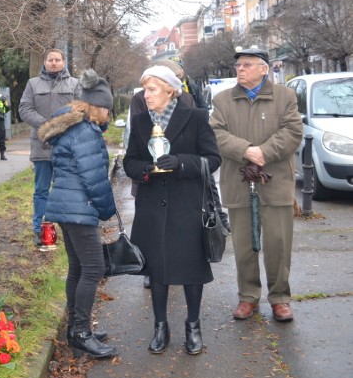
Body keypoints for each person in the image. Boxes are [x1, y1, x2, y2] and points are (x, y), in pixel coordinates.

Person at [123, 65, 221, 355]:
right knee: (157, 271)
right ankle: (160, 326)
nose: (146, 95)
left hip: (187, 205)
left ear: (169, 89)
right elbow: (129, 162)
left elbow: (212, 159)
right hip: (152, 208)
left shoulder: (196, 117)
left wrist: (180, 162)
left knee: (191, 269)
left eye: (151, 89)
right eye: (144, 90)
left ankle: (193, 325)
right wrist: (145, 170)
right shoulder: (140, 121)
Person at [209, 47, 302, 323]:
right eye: (238, 65)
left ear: (265, 68)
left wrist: (265, 153)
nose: (240, 69)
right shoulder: (223, 100)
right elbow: (215, 134)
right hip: (239, 182)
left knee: (278, 243)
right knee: (243, 245)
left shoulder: (285, 96)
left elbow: (293, 131)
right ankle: (248, 297)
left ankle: (280, 298)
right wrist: (246, 151)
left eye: (247, 64)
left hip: (276, 181)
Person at [37, 69, 117, 359]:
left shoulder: (71, 127)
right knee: (94, 268)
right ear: (96, 106)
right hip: (79, 209)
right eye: (106, 107)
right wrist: (108, 211)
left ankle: (75, 328)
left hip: (67, 208)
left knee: (78, 269)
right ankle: (81, 332)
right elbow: (95, 179)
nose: (109, 113)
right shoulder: (86, 132)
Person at [129, 59, 195, 290]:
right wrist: (148, 165)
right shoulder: (140, 99)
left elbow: (193, 138)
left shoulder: (186, 98)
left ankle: (176, 266)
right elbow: (137, 134)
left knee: (176, 226)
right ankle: (152, 269)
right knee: (152, 227)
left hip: (177, 176)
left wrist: (179, 160)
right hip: (150, 175)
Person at [19, 49, 81, 250]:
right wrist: (47, 125)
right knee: (41, 190)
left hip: (66, 146)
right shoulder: (33, 84)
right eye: (50, 59)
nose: (54, 63)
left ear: (63, 62)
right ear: (44, 62)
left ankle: (68, 229)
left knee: (65, 188)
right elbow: (24, 109)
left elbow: (81, 109)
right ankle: (40, 229)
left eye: (57, 60)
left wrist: (62, 125)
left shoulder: (74, 84)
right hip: (42, 144)